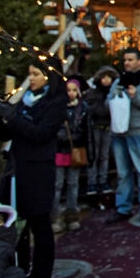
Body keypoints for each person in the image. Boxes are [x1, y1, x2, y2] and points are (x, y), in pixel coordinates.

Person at [0, 55, 66, 278]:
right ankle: (19, 272)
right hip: (17, 169)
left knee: (39, 225)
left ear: (48, 76)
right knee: (15, 226)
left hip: (39, 171)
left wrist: (15, 118)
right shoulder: (25, 100)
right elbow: (9, 133)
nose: (30, 79)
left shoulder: (56, 102)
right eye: (29, 74)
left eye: (35, 74)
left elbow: (41, 133)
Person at [107, 47, 140, 224]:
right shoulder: (118, 81)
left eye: (130, 60)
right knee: (123, 172)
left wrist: (135, 96)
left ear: (139, 61)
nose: (127, 63)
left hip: (139, 130)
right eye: (125, 60)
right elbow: (107, 102)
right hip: (119, 131)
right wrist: (115, 97)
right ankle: (123, 207)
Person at [53, 77, 90, 233]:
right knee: (57, 184)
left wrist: (79, 139)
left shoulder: (83, 108)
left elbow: (86, 128)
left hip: (75, 148)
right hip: (60, 149)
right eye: (69, 90)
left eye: (74, 90)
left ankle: (72, 215)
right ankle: (55, 216)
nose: (71, 93)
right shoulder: (58, 107)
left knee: (73, 184)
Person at [84, 65, 119, 194]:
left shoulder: (114, 92)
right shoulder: (92, 93)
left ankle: (102, 180)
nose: (106, 80)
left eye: (109, 77)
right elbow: (90, 109)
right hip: (95, 127)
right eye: (103, 77)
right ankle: (92, 182)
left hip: (108, 126)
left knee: (104, 155)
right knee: (94, 155)